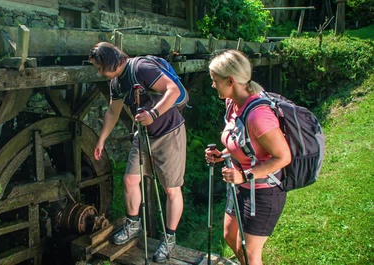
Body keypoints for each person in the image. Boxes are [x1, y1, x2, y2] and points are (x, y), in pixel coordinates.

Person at [89, 42, 186, 263]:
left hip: (168, 132)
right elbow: (113, 112)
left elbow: (174, 90)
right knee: (130, 180)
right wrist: (101, 140)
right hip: (143, 135)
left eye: (98, 67)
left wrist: (153, 113)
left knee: (171, 189)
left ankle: (169, 238)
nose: (98, 72)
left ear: (108, 61)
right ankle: (133, 224)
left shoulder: (141, 67)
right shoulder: (116, 82)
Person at [204, 49, 291, 265]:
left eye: (215, 80)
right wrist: (221, 155)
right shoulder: (232, 104)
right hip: (240, 186)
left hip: (264, 191)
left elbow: (283, 157)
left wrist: (243, 175)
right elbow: (243, 143)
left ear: (230, 80)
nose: (213, 85)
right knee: (230, 236)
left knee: (252, 253)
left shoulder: (259, 116)